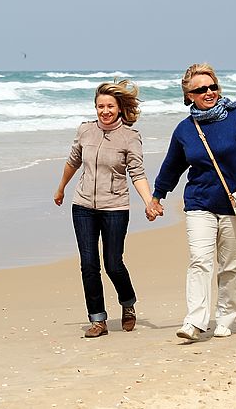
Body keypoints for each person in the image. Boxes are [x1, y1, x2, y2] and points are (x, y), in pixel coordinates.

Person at [148, 63, 236, 342]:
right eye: (201, 89)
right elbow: (172, 166)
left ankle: (226, 316)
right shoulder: (185, 129)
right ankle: (195, 321)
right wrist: (157, 197)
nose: (209, 92)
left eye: (212, 87)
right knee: (200, 261)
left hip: (234, 203)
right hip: (199, 202)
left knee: (230, 264)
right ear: (189, 95)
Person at [54, 81, 158, 338]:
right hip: (83, 206)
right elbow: (73, 162)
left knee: (113, 264)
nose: (105, 111)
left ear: (120, 108)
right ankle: (98, 319)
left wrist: (149, 201)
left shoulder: (130, 137)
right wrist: (61, 188)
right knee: (88, 264)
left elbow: (137, 173)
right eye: (100, 106)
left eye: (110, 106)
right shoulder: (85, 130)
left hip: (115, 207)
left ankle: (128, 303)